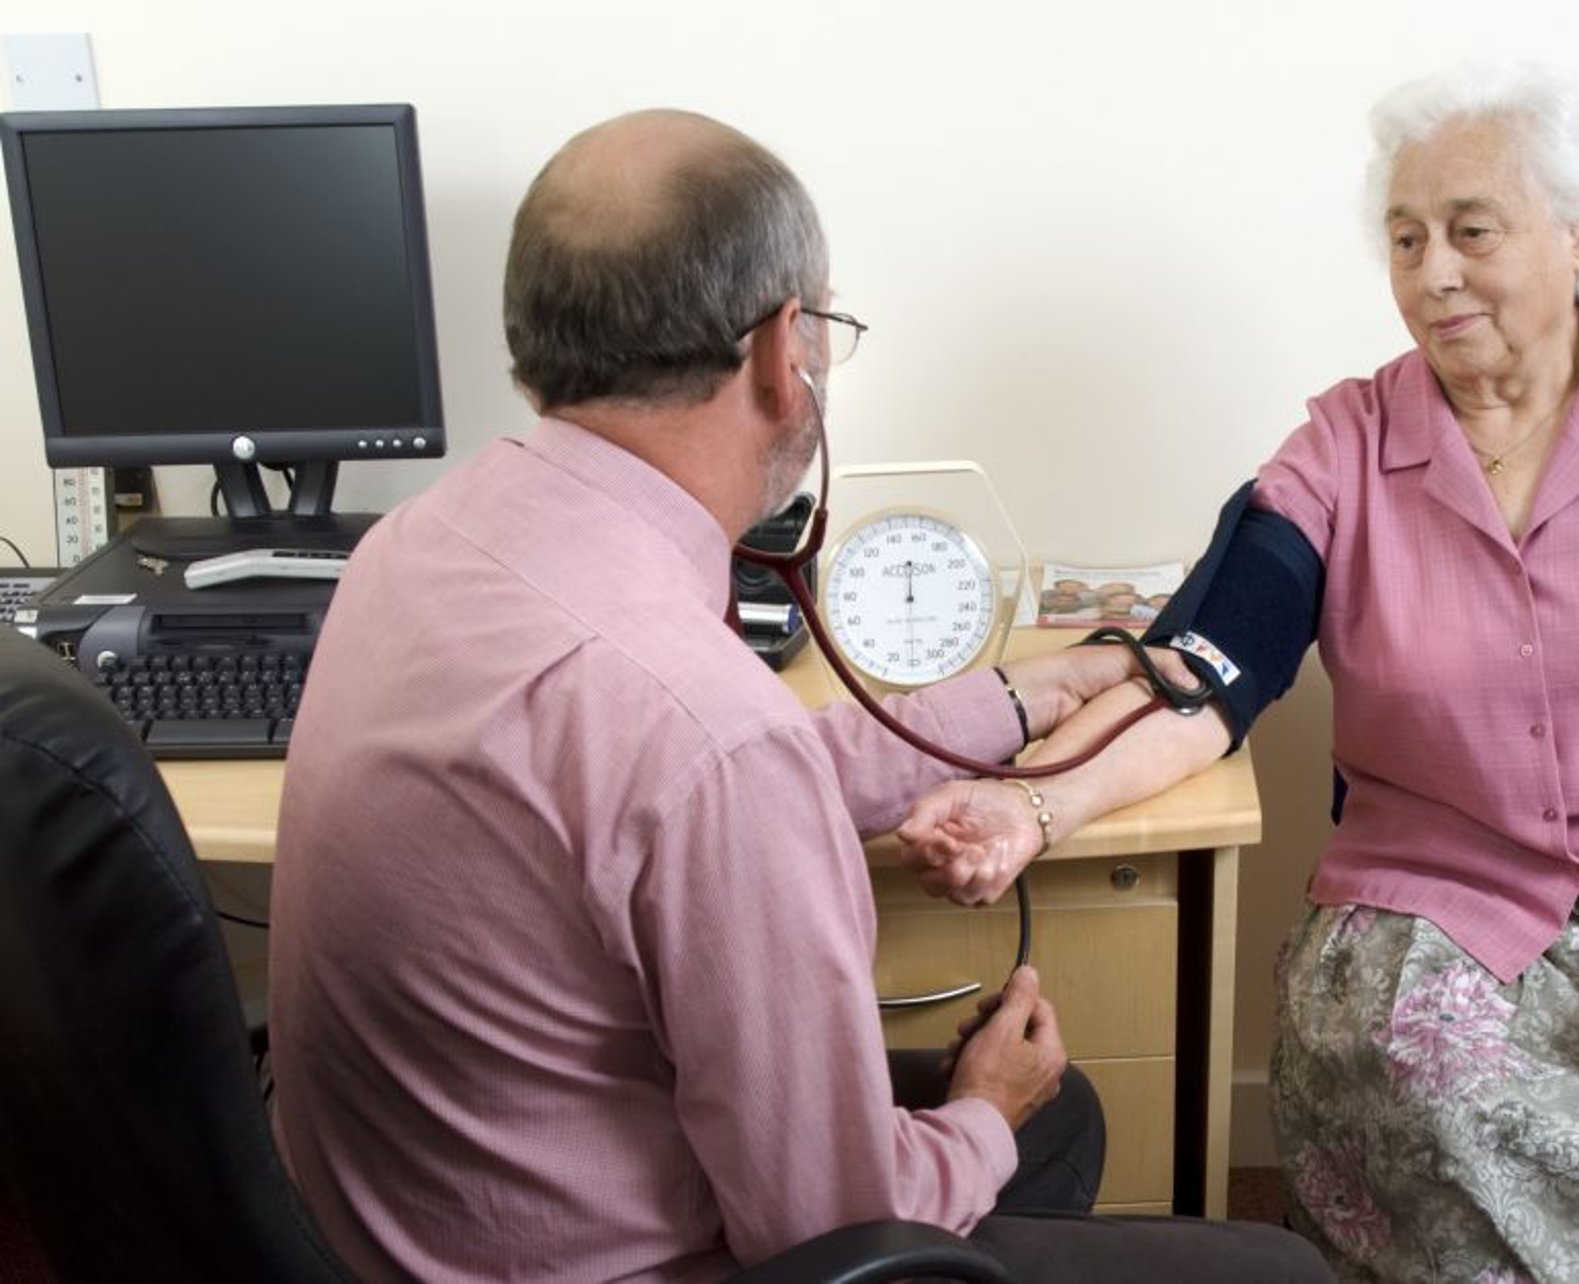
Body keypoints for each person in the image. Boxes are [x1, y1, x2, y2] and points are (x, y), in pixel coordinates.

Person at [268, 109, 1328, 1283]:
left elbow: (653, 795)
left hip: (400, 1222)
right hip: (661, 1260)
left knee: (1060, 1114)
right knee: (1268, 1267)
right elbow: (824, 1228)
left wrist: (1023, 696)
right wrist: (979, 1114)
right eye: (824, 328)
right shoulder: (706, 739)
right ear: (783, 351)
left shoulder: (417, 546)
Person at [898, 64, 1579, 1281]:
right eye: (1404, 237)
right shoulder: (1344, 441)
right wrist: (1028, 803)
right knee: (1432, 1091)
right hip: (1441, 905)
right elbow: (1205, 673)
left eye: (1471, 232)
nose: (1431, 273)